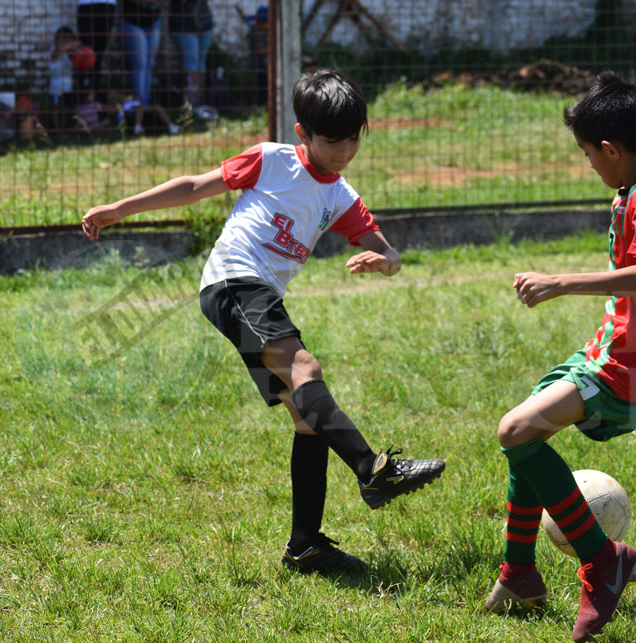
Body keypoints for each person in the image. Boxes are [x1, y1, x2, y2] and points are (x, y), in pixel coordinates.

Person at [80, 69, 446, 575]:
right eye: (331, 140)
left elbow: (386, 246)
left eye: (352, 140)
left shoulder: (339, 195)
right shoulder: (271, 160)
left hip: (256, 294)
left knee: (307, 417)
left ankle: (306, 546)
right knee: (306, 368)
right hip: (232, 282)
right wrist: (121, 209)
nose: (342, 151)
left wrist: (388, 260)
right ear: (303, 135)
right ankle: (372, 470)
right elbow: (192, 185)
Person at [481, 71, 636, 643]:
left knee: (515, 430)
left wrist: (561, 282)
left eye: (589, 154)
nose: (589, 164)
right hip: (610, 350)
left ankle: (602, 559)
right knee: (527, 427)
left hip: (629, 367)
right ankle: (520, 575)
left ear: (611, 149)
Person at [119, 0, 179, 135]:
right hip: (133, 21)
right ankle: (140, 104)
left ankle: (146, 105)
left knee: (149, 64)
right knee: (140, 65)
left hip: (153, 21)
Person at [169, 0, 217, 117]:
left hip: (204, 22)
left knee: (201, 63)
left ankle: (201, 102)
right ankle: (192, 103)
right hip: (184, 23)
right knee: (192, 62)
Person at [76, 0, 117, 97]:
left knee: (98, 54)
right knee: (85, 52)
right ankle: (81, 96)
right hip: (86, 4)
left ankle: (94, 96)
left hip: (107, 5)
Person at [49, 27, 80, 132]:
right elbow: (60, 50)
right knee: (57, 107)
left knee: (67, 108)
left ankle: (64, 128)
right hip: (56, 87)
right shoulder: (54, 50)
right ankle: (58, 130)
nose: (64, 41)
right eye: (62, 38)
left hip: (68, 85)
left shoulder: (70, 54)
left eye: (67, 39)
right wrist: (74, 43)